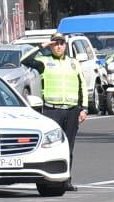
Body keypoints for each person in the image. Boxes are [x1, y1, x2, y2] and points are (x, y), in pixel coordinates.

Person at [26, 34, 86, 191]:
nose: (58, 46)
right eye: (55, 44)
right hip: (52, 110)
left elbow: (82, 85)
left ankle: (66, 180)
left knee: (68, 147)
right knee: (51, 146)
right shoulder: (45, 62)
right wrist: (42, 45)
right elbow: (25, 60)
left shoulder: (74, 63)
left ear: (65, 45)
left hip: (72, 110)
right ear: (51, 46)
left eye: (61, 43)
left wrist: (83, 108)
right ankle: (50, 179)